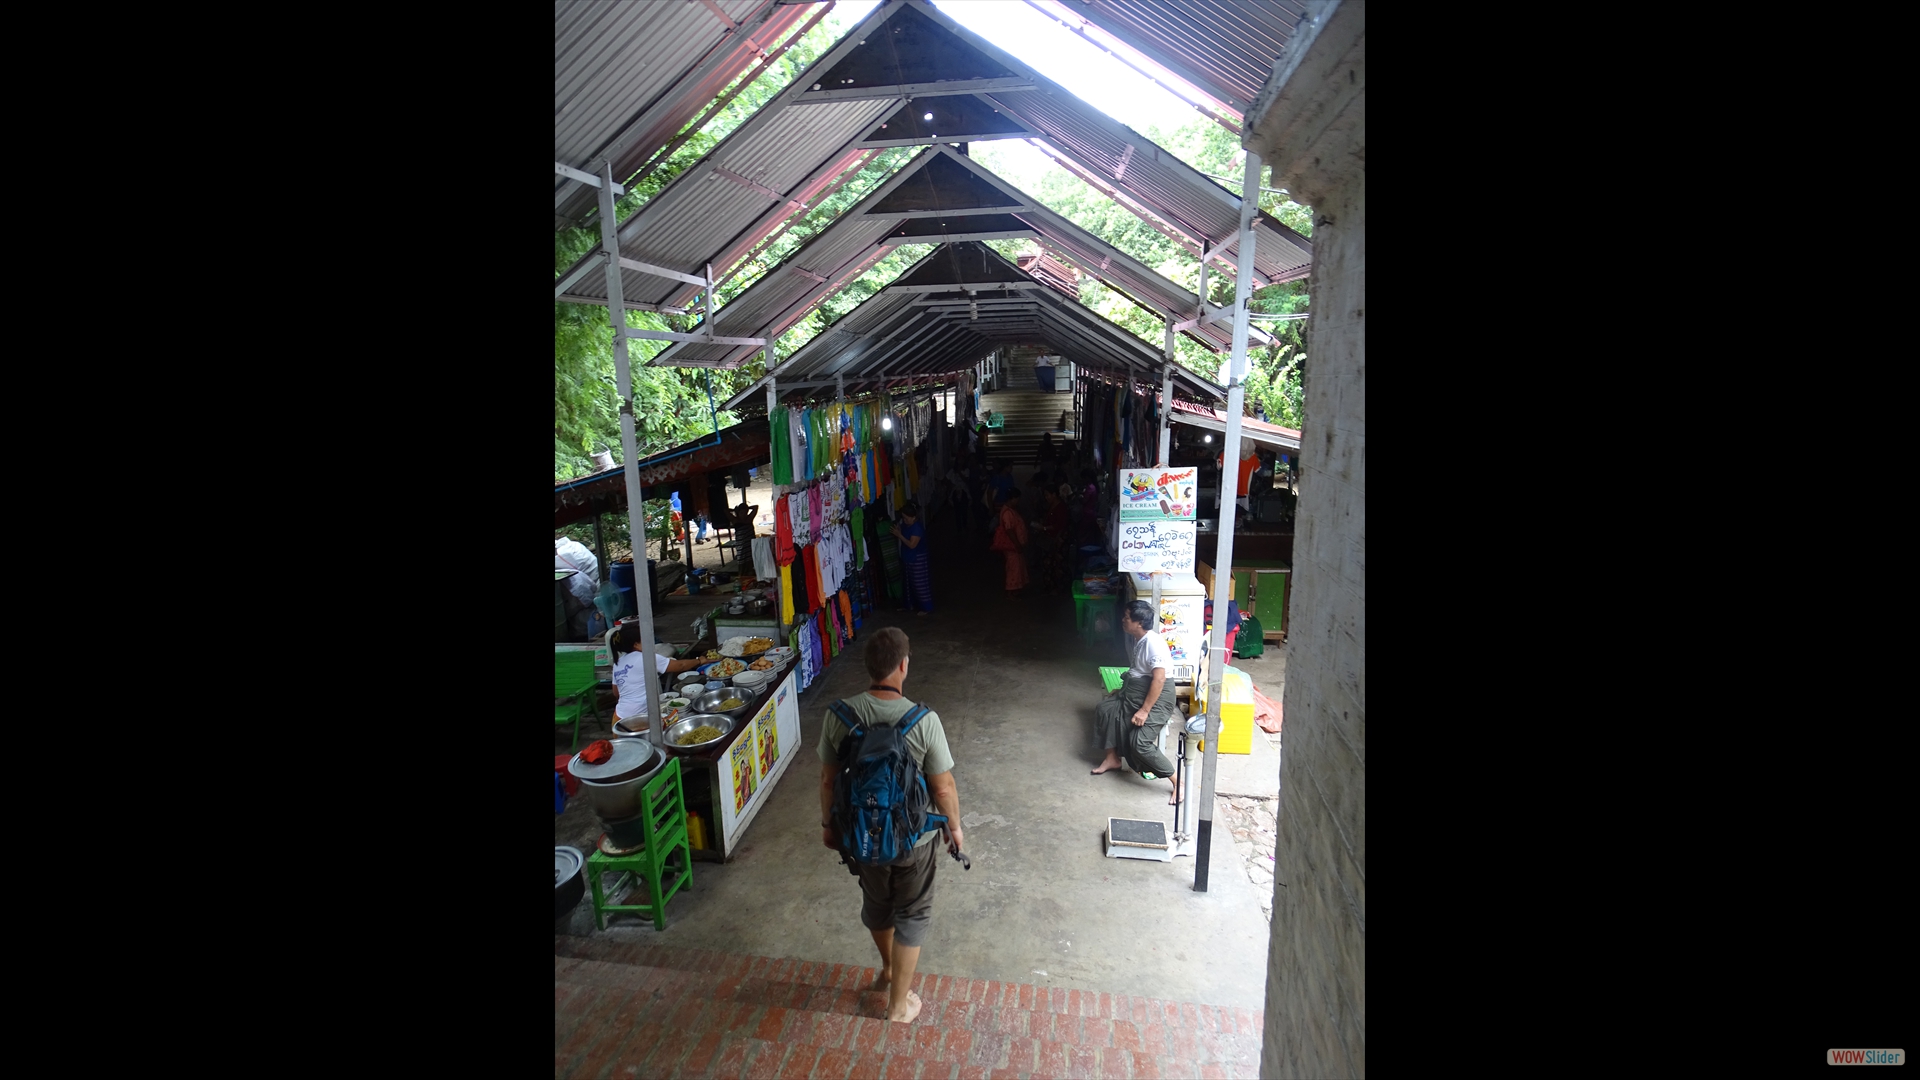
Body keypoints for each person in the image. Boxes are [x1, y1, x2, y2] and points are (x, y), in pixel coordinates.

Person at [817, 628, 962, 1025]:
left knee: (878, 906)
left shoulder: (838, 715)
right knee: (912, 914)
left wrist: (829, 826)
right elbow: (943, 785)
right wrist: (955, 828)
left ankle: (888, 968)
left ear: (868, 667)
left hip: (861, 835)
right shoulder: (924, 720)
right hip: (914, 840)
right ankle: (899, 1006)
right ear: (904, 666)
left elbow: (829, 780)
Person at [1091, 600, 1181, 804]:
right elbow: (1139, 672)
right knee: (1107, 709)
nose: (1123, 620)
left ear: (1139, 622)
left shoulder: (1153, 644)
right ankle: (1112, 758)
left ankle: (1177, 781)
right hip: (1138, 692)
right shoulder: (1138, 639)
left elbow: (1159, 679)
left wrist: (1144, 711)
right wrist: (1123, 690)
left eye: (1127, 617)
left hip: (1157, 700)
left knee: (1139, 743)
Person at [607, 618, 704, 733]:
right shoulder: (645, 658)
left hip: (618, 720)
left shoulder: (618, 662)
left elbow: (616, 693)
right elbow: (681, 665)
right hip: (638, 721)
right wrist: (700, 660)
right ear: (636, 644)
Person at [891, 501, 931, 615]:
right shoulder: (905, 525)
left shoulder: (917, 528)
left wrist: (899, 536)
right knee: (908, 584)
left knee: (920, 584)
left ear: (913, 517)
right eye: (903, 518)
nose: (904, 520)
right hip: (907, 558)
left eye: (906, 518)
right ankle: (909, 605)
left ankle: (926, 607)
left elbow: (912, 545)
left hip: (917, 559)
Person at [992, 488, 1029, 594]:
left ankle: (1015, 590)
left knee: (1016, 567)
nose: (1018, 501)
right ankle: (1011, 592)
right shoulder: (1008, 513)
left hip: (1014, 545)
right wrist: (1017, 544)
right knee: (1014, 568)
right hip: (1012, 546)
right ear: (1012, 499)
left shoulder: (1009, 510)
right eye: (1017, 499)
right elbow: (1009, 530)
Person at [1034, 487, 1069, 592]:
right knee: (1050, 564)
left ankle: (1057, 587)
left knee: (1057, 565)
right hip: (1051, 538)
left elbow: (1059, 525)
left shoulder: (1060, 508)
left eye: (1047, 495)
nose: (1046, 498)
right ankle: (1051, 587)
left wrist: (1044, 528)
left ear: (1054, 494)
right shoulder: (1052, 506)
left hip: (1057, 540)